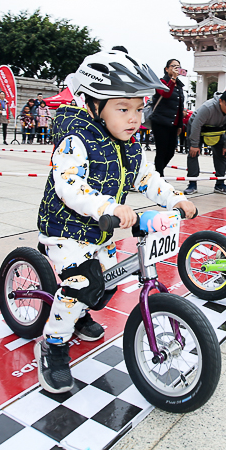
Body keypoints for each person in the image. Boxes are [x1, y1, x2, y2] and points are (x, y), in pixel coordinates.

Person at [34, 48, 196, 393]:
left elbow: (147, 179)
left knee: (106, 283)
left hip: (103, 230)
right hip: (67, 228)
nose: (134, 118)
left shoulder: (131, 143)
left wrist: (175, 198)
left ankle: (79, 315)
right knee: (81, 285)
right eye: (123, 109)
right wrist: (106, 205)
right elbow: (69, 184)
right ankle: (53, 344)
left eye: (139, 109)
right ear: (93, 104)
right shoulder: (76, 139)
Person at [184, 89, 226, 195]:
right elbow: (196, 125)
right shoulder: (208, 108)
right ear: (221, 101)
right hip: (198, 129)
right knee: (193, 153)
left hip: (218, 131)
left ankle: (220, 184)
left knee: (223, 154)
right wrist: (194, 144)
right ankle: (192, 184)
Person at [148, 57, 186, 175]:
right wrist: (173, 78)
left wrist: (180, 124)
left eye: (178, 67)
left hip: (173, 124)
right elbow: (166, 94)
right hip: (161, 121)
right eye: (174, 66)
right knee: (161, 151)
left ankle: (156, 173)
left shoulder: (179, 85)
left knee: (171, 151)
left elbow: (179, 105)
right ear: (166, 69)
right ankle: (159, 176)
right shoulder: (161, 82)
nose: (176, 69)